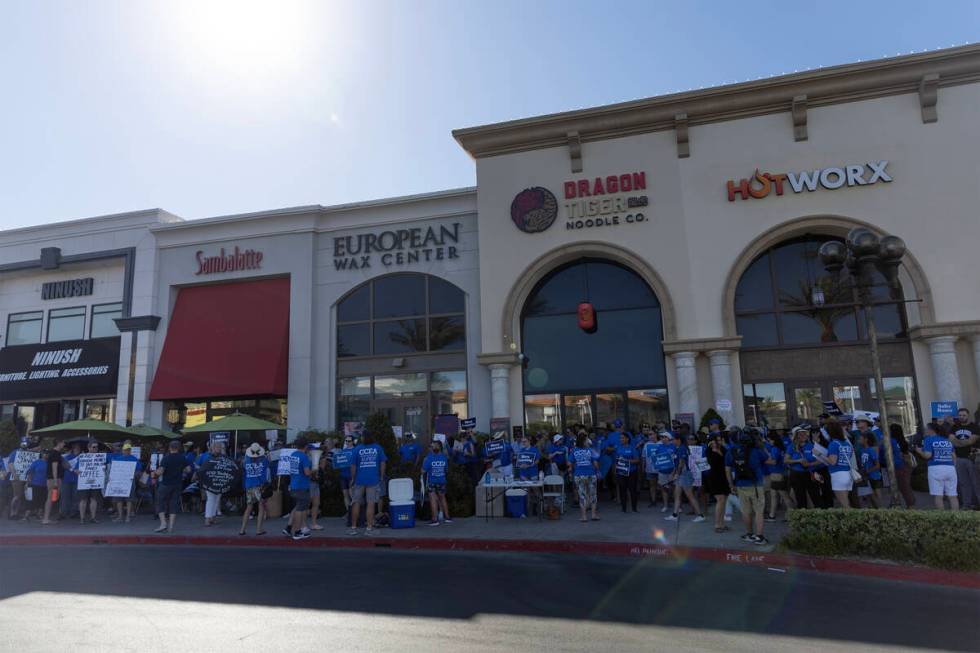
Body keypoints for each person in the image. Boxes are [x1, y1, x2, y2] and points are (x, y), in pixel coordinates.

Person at [725, 429, 769, 545]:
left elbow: (728, 470)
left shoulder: (732, 451)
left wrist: (731, 485)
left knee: (746, 511)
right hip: (756, 485)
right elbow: (768, 458)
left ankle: (749, 534)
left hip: (740, 484)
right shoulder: (756, 450)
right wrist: (761, 444)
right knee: (759, 511)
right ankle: (759, 537)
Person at [349, 431, 387, 536]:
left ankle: (353, 528)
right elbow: (382, 463)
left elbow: (353, 466)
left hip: (359, 480)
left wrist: (353, 478)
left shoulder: (357, 449)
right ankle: (369, 528)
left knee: (356, 503)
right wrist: (381, 476)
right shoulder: (378, 448)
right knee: (370, 504)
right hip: (373, 479)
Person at [916, 422, 958, 511]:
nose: (925, 430)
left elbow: (927, 455)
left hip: (935, 469)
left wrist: (919, 451)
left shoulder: (928, 439)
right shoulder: (946, 440)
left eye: (926, 429)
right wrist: (952, 467)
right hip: (950, 468)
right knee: (952, 496)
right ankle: (956, 518)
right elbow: (954, 456)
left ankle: (942, 519)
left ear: (931, 430)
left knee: (939, 496)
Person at [666, 432, 705, 522]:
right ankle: (675, 514)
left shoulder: (682, 449)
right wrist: (674, 473)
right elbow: (677, 464)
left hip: (685, 475)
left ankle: (700, 515)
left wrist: (676, 474)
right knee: (677, 495)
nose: (672, 441)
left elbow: (681, 463)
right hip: (681, 475)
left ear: (678, 440)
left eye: (673, 439)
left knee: (690, 495)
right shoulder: (679, 448)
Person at [154, 440, 191, 533]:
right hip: (178, 484)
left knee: (160, 501)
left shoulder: (166, 458)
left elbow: (161, 472)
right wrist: (181, 471)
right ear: (178, 448)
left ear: (170, 448)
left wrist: (155, 472)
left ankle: (163, 524)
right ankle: (171, 527)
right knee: (174, 504)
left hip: (166, 484)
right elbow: (189, 470)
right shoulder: (182, 458)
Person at [950, 407, 979, 510]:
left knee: (976, 482)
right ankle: (967, 504)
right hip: (959, 459)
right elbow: (951, 441)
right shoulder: (954, 427)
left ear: (968, 416)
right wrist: (963, 443)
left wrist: (958, 442)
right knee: (963, 483)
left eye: (964, 415)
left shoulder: (974, 427)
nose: (962, 417)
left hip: (972, 458)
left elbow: (971, 441)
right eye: (960, 415)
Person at [785, 427, 820, 509]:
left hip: (810, 474)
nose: (804, 436)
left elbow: (820, 460)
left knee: (815, 496)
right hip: (796, 475)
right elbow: (786, 460)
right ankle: (803, 517)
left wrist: (810, 464)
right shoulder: (792, 447)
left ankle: (818, 515)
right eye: (801, 434)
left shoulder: (811, 446)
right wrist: (798, 461)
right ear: (796, 436)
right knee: (800, 497)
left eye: (805, 434)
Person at [285, 439, 313, 540]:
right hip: (302, 485)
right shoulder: (304, 456)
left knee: (299, 508)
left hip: (294, 484)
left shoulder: (293, 454)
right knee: (300, 509)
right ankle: (297, 532)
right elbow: (307, 472)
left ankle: (298, 530)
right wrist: (314, 470)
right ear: (305, 446)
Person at [705, 433, 731, 533]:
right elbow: (711, 462)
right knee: (720, 500)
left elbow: (727, 459)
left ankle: (722, 523)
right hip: (714, 478)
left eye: (720, 440)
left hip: (723, 477)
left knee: (724, 500)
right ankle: (717, 524)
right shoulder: (708, 450)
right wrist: (715, 450)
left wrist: (719, 450)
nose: (719, 442)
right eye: (718, 440)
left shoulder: (723, 448)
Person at [571, 432, 599, 522]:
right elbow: (595, 463)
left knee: (582, 495)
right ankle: (594, 515)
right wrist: (597, 470)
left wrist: (576, 464)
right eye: (587, 440)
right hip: (591, 474)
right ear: (584, 441)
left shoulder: (574, 451)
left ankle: (584, 516)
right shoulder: (590, 450)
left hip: (579, 475)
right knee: (593, 495)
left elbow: (569, 462)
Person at [825, 421, 855, 509]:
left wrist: (820, 455)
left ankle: (853, 521)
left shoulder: (833, 444)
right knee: (846, 502)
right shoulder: (846, 443)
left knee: (845, 505)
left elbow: (833, 461)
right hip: (847, 473)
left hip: (838, 475)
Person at [422, 440, 451, 526]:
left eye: (432, 446)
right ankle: (447, 517)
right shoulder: (444, 458)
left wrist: (424, 464)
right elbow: (446, 470)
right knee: (443, 498)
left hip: (432, 482)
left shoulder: (429, 458)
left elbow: (423, 471)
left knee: (433, 499)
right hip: (442, 481)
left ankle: (435, 519)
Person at [763, 432, 792, 521]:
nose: (769, 442)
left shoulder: (775, 449)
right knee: (774, 495)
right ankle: (772, 515)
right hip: (779, 473)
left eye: (770, 440)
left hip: (777, 474)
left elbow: (774, 462)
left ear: (774, 440)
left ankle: (792, 514)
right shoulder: (780, 448)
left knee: (784, 496)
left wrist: (764, 461)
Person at [111, 442, 142, 523]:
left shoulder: (135, 459)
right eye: (125, 450)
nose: (127, 451)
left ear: (130, 450)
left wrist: (134, 474)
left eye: (128, 450)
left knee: (129, 500)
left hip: (130, 482)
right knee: (119, 500)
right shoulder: (118, 459)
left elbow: (139, 472)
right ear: (122, 450)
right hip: (119, 482)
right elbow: (113, 471)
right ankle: (120, 516)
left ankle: (128, 516)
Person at [199, 442, 227, 526]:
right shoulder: (208, 457)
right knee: (211, 499)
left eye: (220, 447)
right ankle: (207, 518)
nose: (219, 448)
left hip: (219, 481)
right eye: (218, 447)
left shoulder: (222, 457)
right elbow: (203, 468)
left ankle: (213, 517)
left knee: (217, 500)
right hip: (210, 482)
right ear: (213, 448)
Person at [77, 440, 104, 525]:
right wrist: (76, 470)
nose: (96, 448)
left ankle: (93, 517)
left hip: (95, 481)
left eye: (97, 447)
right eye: (94, 447)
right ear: (88, 448)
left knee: (94, 499)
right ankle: (82, 518)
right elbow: (74, 467)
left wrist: (103, 469)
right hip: (84, 481)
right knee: (83, 499)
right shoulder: (82, 457)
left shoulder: (100, 457)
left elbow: (103, 467)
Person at [614, 431, 640, 513]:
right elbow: (617, 460)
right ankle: (624, 508)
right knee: (622, 490)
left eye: (622, 438)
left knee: (632, 490)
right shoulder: (618, 448)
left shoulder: (632, 448)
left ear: (627, 439)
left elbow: (637, 460)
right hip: (622, 473)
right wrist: (616, 470)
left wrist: (627, 461)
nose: (621, 439)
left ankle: (634, 508)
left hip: (632, 472)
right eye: (620, 438)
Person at [858, 431, 883, 508]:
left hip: (874, 476)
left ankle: (882, 510)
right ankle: (873, 509)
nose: (859, 440)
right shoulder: (862, 450)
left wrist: (867, 471)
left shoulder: (871, 450)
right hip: (866, 476)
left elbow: (877, 465)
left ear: (866, 440)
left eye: (860, 439)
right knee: (869, 495)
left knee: (877, 494)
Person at [59, 442, 81, 521]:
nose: (77, 450)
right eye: (75, 448)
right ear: (72, 449)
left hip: (77, 480)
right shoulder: (67, 457)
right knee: (65, 496)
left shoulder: (82, 458)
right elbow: (64, 465)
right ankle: (63, 513)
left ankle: (73, 513)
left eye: (78, 448)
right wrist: (73, 470)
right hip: (66, 479)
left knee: (76, 497)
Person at [332, 436, 355, 513]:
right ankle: (349, 513)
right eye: (346, 441)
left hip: (352, 476)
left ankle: (355, 513)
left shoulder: (355, 450)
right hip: (343, 475)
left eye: (349, 441)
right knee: (345, 495)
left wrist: (353, 477)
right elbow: (338, 462)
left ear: (353, 441)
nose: (347, 442)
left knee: (352, 495)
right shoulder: (342, 451)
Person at [25, 451, 48, 522]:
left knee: (42, 500)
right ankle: (27, 515)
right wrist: (27, 483)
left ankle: (39, 514)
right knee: (33, 499)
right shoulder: (36, 462)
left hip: (45, 484)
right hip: (35, 484)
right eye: (44, 453)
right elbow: (30, 472)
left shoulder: (49, 463)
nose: (46, 454)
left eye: (47, 453)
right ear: (41, 454)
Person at [642, 430, 660, 508]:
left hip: (660, 469)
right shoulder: (646, 445)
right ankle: (653, 501)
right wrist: (643, 467)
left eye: (652, 434)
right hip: (650, 469)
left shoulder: (661, 443)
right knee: (652, 485)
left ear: (656, 434)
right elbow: (643, 457)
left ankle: (666, 501)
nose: (650, 436)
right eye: (649, 435)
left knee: (662, 485)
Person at [308, 446, 325, 531]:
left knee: (316, 503)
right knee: (306, 504)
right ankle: (302, 525)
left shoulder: (315, 460)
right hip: (309, 483)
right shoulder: (306, 459)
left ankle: (314, 524)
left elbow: (320, 471)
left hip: (315, 483)